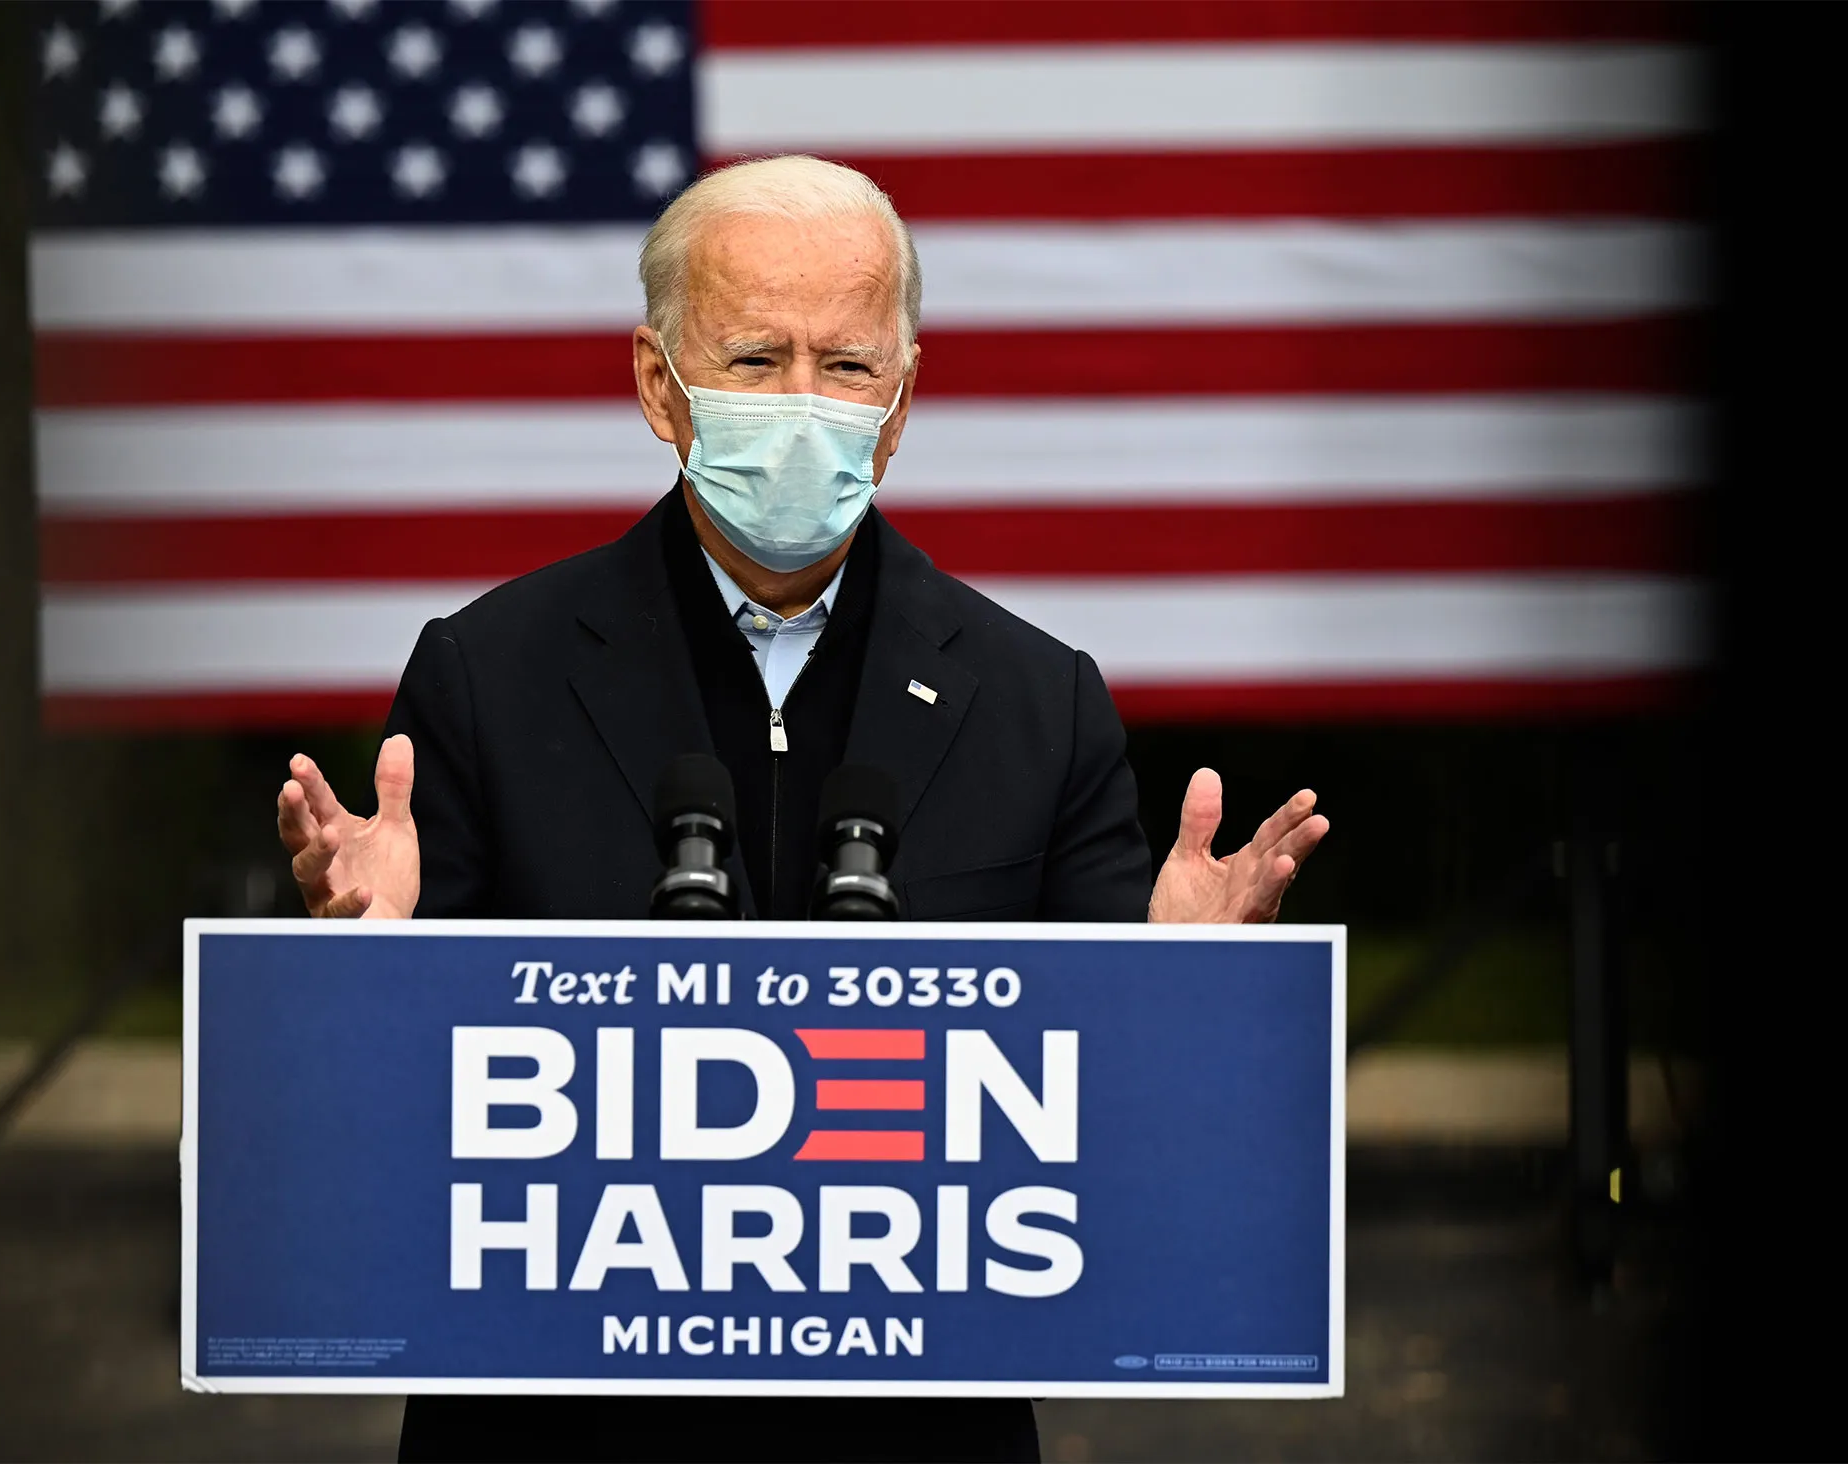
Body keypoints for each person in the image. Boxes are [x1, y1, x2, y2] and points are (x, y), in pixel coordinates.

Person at [275, 156, 1329, 1464]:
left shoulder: (1036, 703)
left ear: (900, 406)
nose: (802, 408)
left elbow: (1117, 1164)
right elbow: (390, 1141)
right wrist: (360, 963)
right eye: (757, 359)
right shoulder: (489, 676)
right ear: (661, 389)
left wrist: (1178, 1002)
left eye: (845, 368)